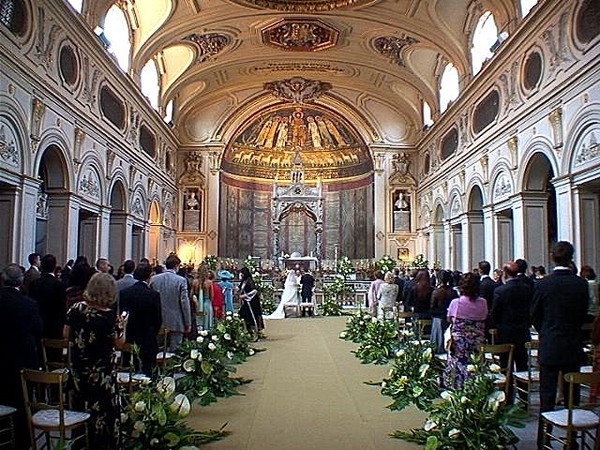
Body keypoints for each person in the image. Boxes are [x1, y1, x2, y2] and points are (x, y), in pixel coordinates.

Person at [531, 241, 589, 447]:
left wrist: (545, 331)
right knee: (572, 395)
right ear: (571, 258)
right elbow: (583, 313)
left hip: (550, 344)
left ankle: (543, 439)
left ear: (552, 257)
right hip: (573, 343)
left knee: (547, 395)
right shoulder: (580, 283)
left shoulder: (543, 284)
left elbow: (534, 314)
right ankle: (571, 440)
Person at [64, 272, 124, 449]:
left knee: (79, 410)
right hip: (101, 375)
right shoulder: (110, 317)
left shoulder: (75, 309)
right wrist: (123, 326)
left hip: (78, 371)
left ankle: (80, 443)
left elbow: (65, 334)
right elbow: (119, 344)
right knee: (104, 415)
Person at [0, 263, 43, 449]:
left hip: (1, 358)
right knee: (22, 401)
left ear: (3, 280)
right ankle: (22, 440)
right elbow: (38, 329)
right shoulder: (29, 304)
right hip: (22, 360)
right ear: (21, 281)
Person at [491, 261, 533, 404]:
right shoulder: (527, 289)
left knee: (506, 366)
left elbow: (495, 312)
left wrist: (498, 325)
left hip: (506, 333)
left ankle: (507, 398)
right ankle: (524, 399)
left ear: (505, 273)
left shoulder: (500, 290)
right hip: (522, 332)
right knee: (522, 366)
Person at [444, 272, 488, 389]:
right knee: (474, 365)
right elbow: (484, 317)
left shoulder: (456, 302)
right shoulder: (483, 302)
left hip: (460, 343)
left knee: (459, 366)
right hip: (477, 341)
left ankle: (458, 388)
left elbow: (449, 319)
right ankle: (475, 389)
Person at [119, 263, 162, 376]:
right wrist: (153, 332)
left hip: (130, 336)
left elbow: (122, 315)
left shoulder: (125, 293)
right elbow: (158, 319)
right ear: (149, 276)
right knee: (148, 371)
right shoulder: (153, 295)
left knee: (130, 370)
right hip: (147, 337)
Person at [149, 254, 191, 351]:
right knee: (175, 351)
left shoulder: (154, 279)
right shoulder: (181, 280)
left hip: (158, 319)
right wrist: (188, 322)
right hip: (176, 320)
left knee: (157, 349)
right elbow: (184, 303)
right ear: (176, 266)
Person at [28, 253, 67, 340]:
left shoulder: (34, 284)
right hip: (54, 325)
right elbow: (62, 308)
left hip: (38, 323)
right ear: (54, 267)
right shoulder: (59, 285)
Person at [430, 270, 458, 354]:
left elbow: (432, 306)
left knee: (438, 338)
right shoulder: (453, 292)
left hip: (438, 317)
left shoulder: (436, 292)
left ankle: (438, 349)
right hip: (450, 318)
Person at [238, 266, 264, 339]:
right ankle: (248, 330)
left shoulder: (249, 281)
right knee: (242, 314)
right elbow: (240, 288)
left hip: (252, 302)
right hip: (246, 302)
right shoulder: (243, 281)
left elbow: (254, 291)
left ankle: (255, 332)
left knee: (252, 317)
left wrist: (245, 296)